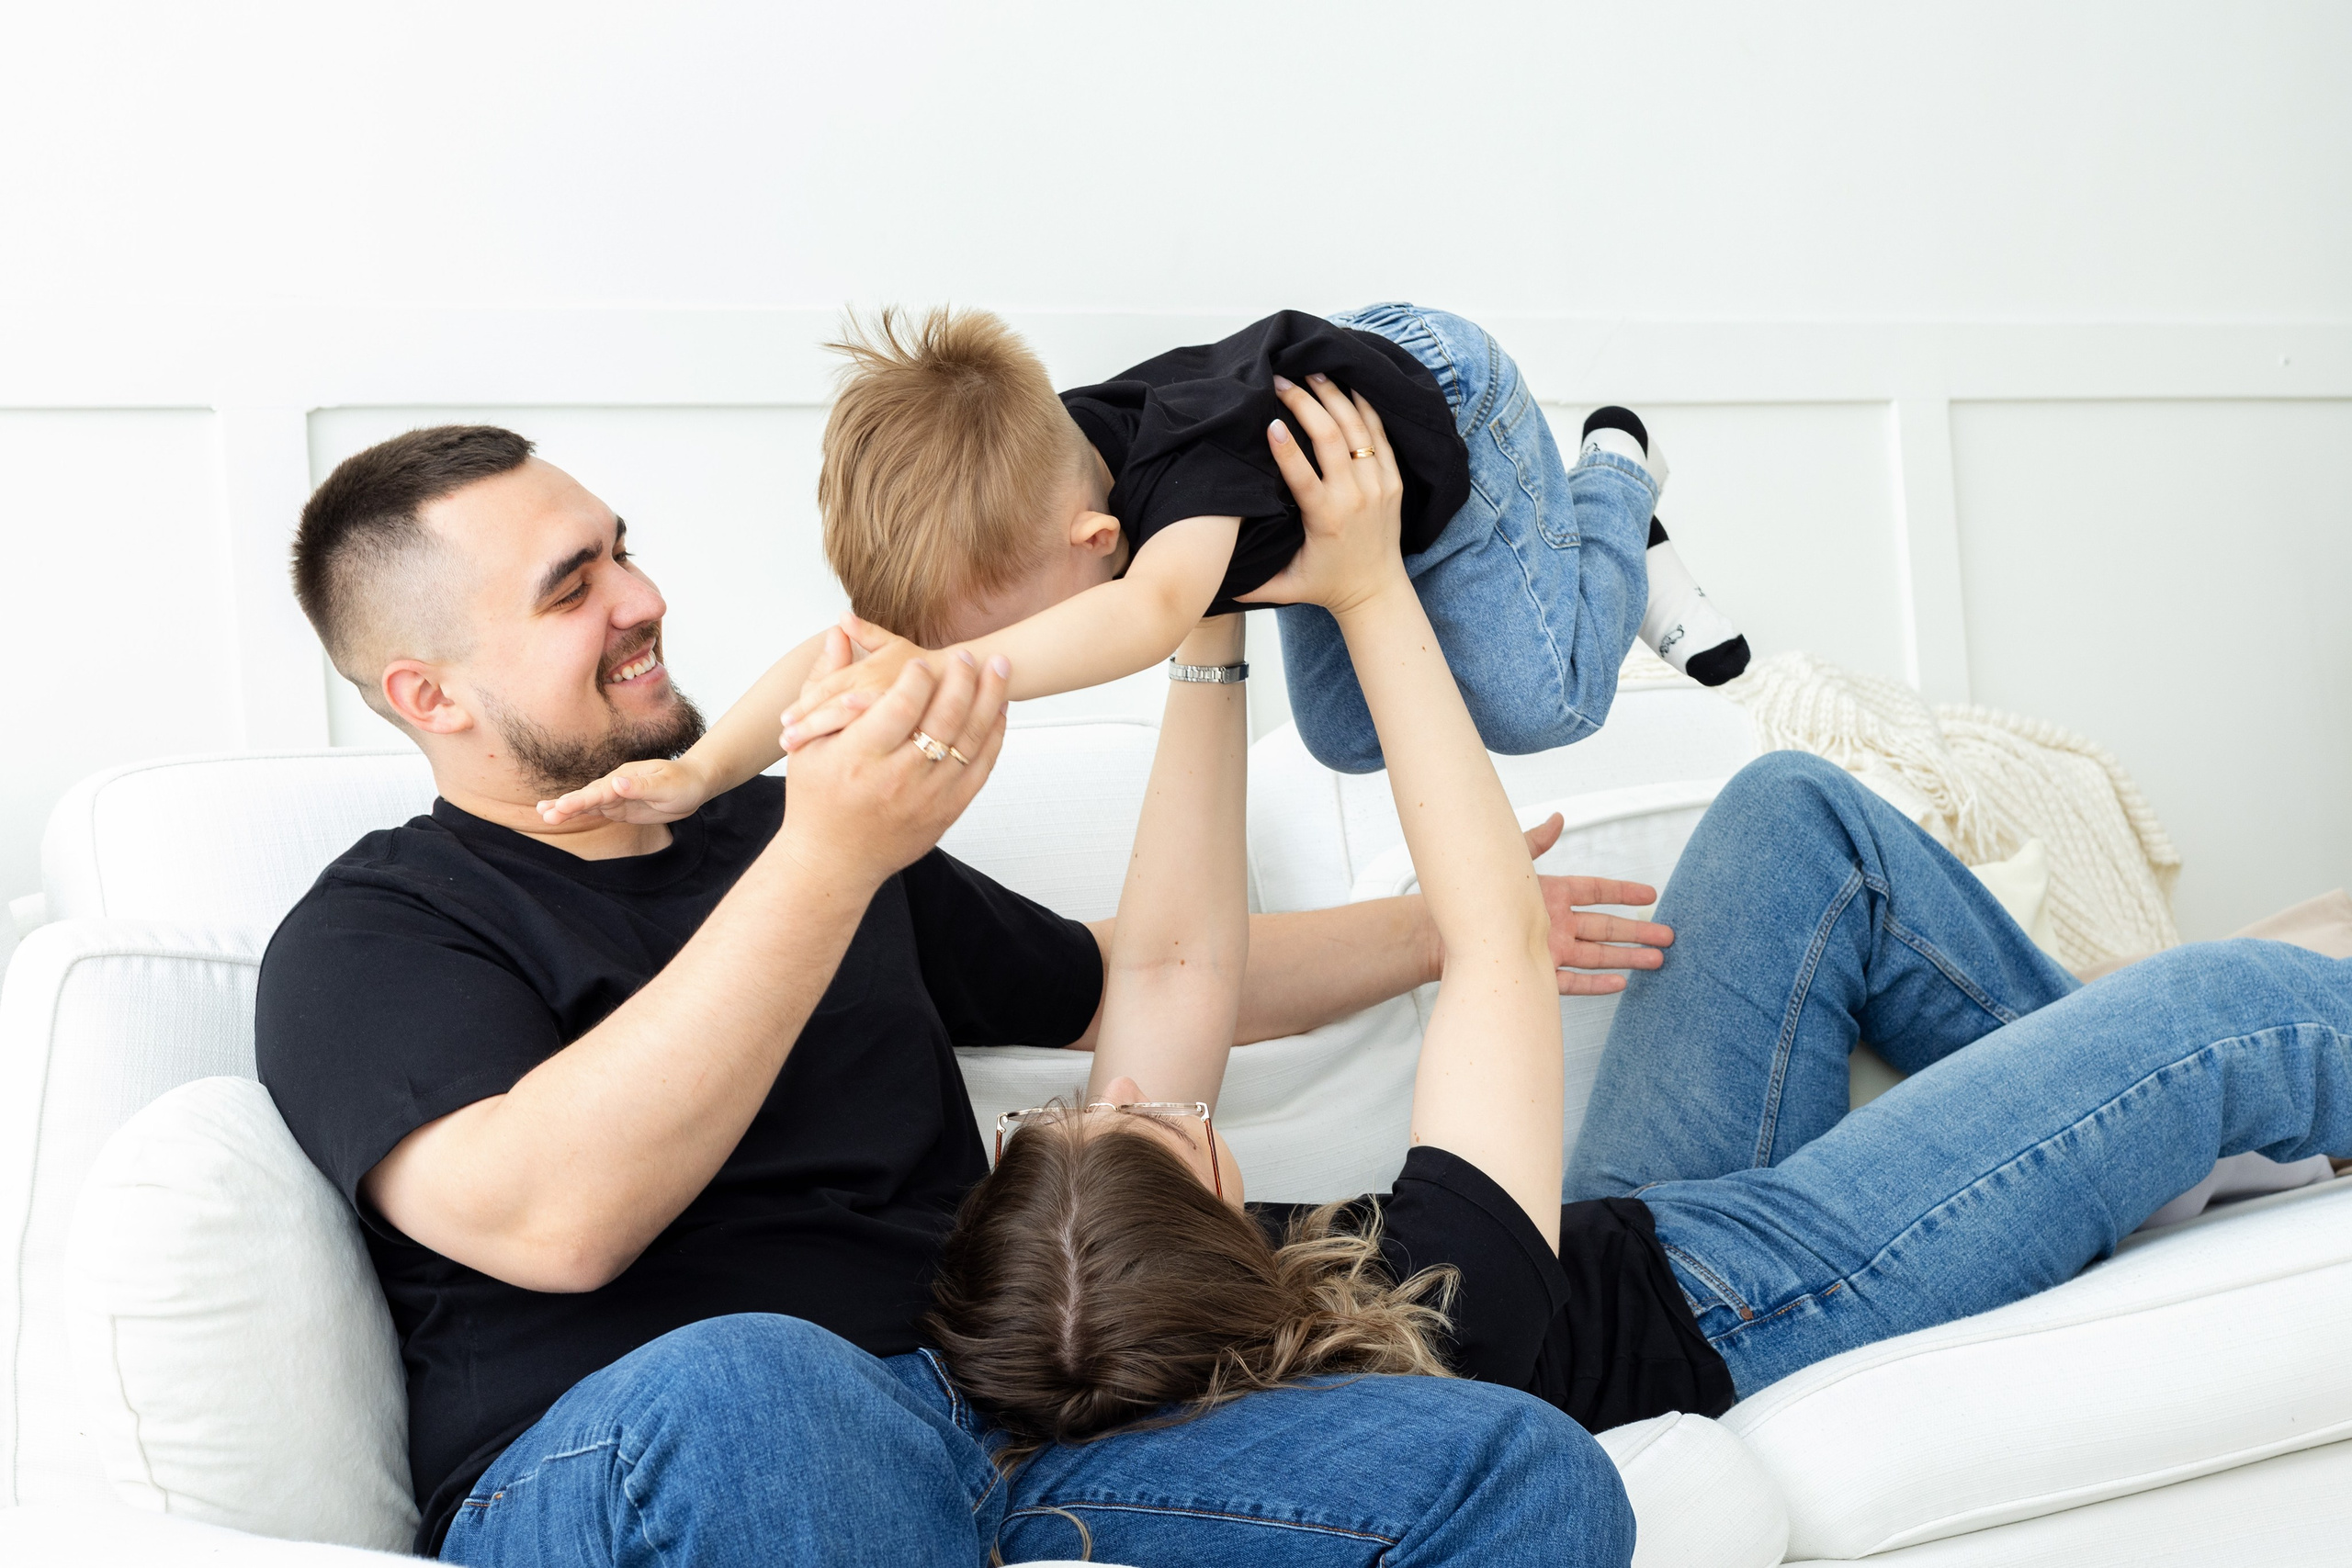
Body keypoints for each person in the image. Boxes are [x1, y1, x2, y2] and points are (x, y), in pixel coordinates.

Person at [254, 423, 1653, 1567]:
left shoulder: (772, 830)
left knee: (1509, 1466)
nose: (643, 600)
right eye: (573, 588)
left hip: (998, 1430)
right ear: (429, 695)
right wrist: (829, 853)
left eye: (624, 551)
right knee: (754, 1384)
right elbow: (555, 1220)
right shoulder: (374, 933)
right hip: (640, 1463)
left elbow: (1135, 982)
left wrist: (1448, 930)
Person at [928, 373, 2352, 1451]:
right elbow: (1491, 930)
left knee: (1798, 822)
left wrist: (1209, 617)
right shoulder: (1450, 1302)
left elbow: (1173, 962)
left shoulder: (1106, 1291)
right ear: (1221, 1216)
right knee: (2228, 1015)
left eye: (1059, 1113)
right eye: (1148, 1118)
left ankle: (2129, 1136)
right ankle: (2180, 1108)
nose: (1122, 1086)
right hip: (1762, 1293)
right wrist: (1367, 591)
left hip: (1623, 1223)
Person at [531, 303, 1747, 833]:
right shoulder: (1022, 476)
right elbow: (842, 648)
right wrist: (698, 769)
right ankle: (1598, 536)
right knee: (1340, 736)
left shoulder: (1184, 498)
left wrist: (968, 667)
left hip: (1446, 413)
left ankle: (1615, 486)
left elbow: (1157, 614)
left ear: (1096, 548)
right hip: (1312, 502)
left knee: (1549, 701)